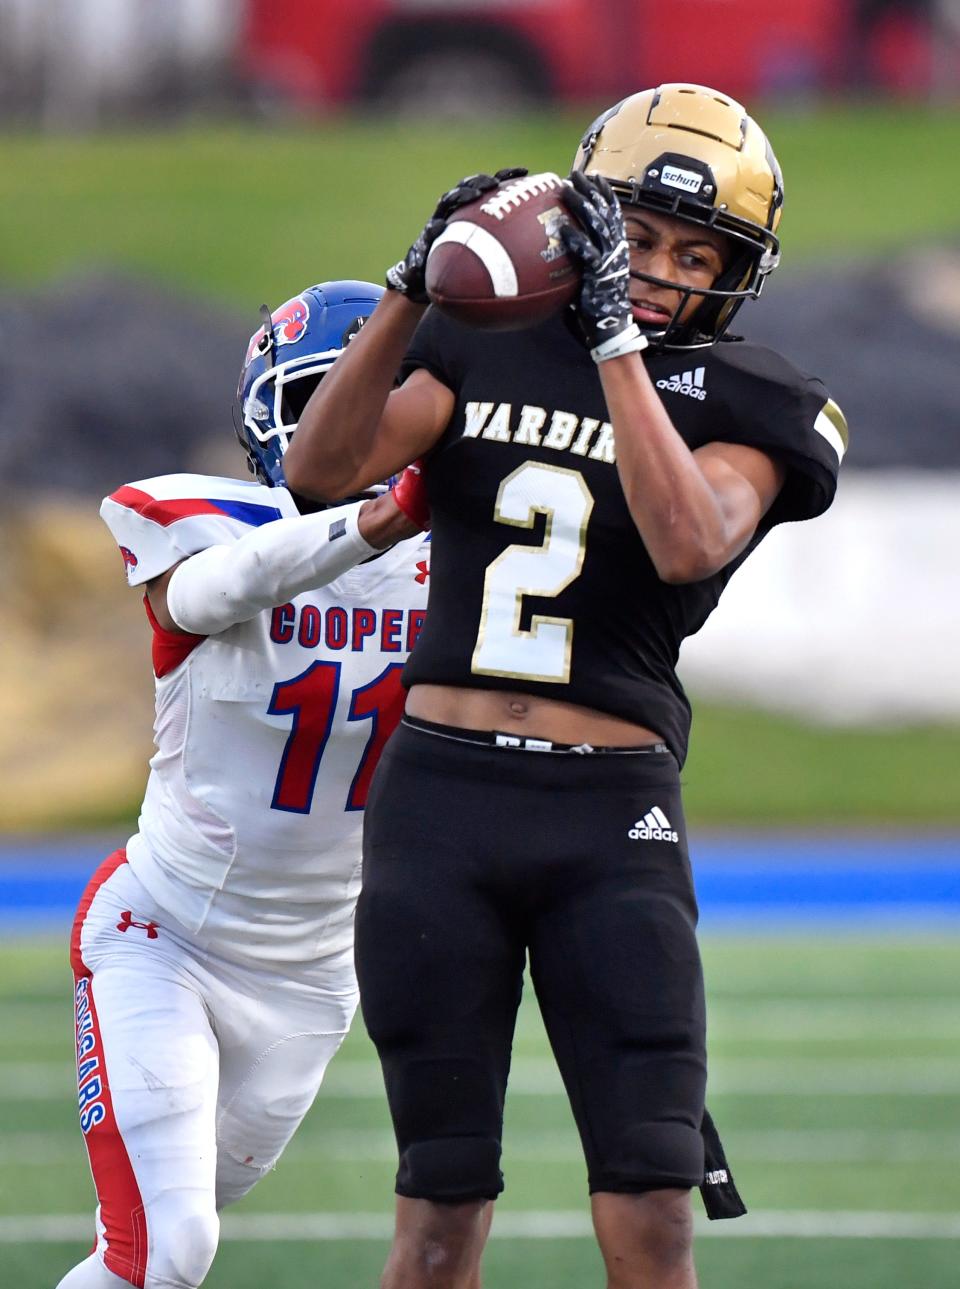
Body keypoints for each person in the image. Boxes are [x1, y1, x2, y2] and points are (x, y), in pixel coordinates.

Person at [284, 84, 849, 1289]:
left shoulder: (762, 400)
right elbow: (323, 473)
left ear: (737, 272)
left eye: (697, 254)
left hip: (612, 816)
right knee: (438, 1218)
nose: (660, 269)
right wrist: (408, 286)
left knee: (650, 1208)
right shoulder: (479, 339)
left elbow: (692, 537)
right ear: (584, 222)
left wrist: (615, 349)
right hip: (442, 801)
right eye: (637, 238)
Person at [56, 281, 431, 1289]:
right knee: (168, 1250)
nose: (357, 430)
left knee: (144, 1253)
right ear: (274, 415)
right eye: (327, 401)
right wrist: (383, 519)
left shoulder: (467, 558)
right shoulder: (206, 525)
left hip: (315, 968)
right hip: (162, 936)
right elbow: (220, 588)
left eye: (386, 400)